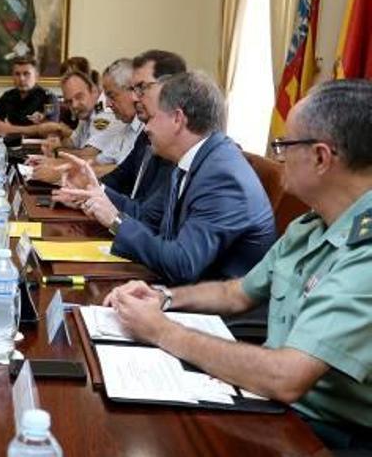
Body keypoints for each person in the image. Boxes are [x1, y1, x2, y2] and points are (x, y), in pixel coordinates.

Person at [104, 79, 372, 451]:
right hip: (278, 407)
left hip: (329, 435)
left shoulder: (365, 252)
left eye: (284, 145)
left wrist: (162, 331)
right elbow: (237, 292)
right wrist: (163, 297)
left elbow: (287, 377)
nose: (277, 157)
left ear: (322, 157)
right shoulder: (312, 224)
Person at [53, 71, 276, 284]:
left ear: (177, 119)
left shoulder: (223, 177)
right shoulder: (190, 159)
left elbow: (182, 264)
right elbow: (148, 219)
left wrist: (115, 221)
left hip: (214, 311)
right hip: (176, 287)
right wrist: (95, 192)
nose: (145, 128)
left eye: (150, 118)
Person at [96, 49, 185, 202]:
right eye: (133, 89)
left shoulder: (176, 144)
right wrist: (86, 190)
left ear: (169, 87)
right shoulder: (145, 135)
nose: (133, 97)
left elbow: (148, 215)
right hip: (127, 222)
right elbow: (118, 178)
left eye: (142, 88)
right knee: (39, 226)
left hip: (130, 223)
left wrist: (96, 200)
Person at [0, 57, 66, 138]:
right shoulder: (8, 96)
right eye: (17, 74)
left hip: (36, 146)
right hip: (11, 143)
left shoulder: (48, 98)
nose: (21, 79)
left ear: (36, 77)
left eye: (26, 74)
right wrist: (34, 129)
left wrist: (9, 129)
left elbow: (50, 129)